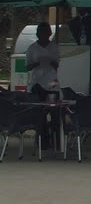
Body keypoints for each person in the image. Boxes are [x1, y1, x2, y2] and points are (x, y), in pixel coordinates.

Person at [25, 22, 60, 150]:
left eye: (46, 33)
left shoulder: (54, 47)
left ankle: (56, 141)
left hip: (52, 83)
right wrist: (37, 63)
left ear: (49, 34)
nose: (44, 35)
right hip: (37, 83)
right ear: (38, 34)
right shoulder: (32, 48)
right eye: (41, 33)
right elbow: (27, 67)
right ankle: (42, 140)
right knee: (39, 113)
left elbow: (57, 65)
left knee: (55, 112)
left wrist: (50, 61)